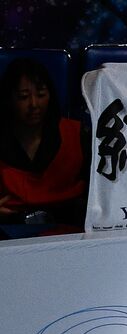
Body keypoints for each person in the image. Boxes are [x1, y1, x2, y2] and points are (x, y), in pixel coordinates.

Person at [0, 58, 86, 225]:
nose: (33, 104)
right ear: (9, 99)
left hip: (68, 227)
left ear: (51, 95)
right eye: (23, 97)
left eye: (41, 95)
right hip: (9, 229)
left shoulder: (76, 134)